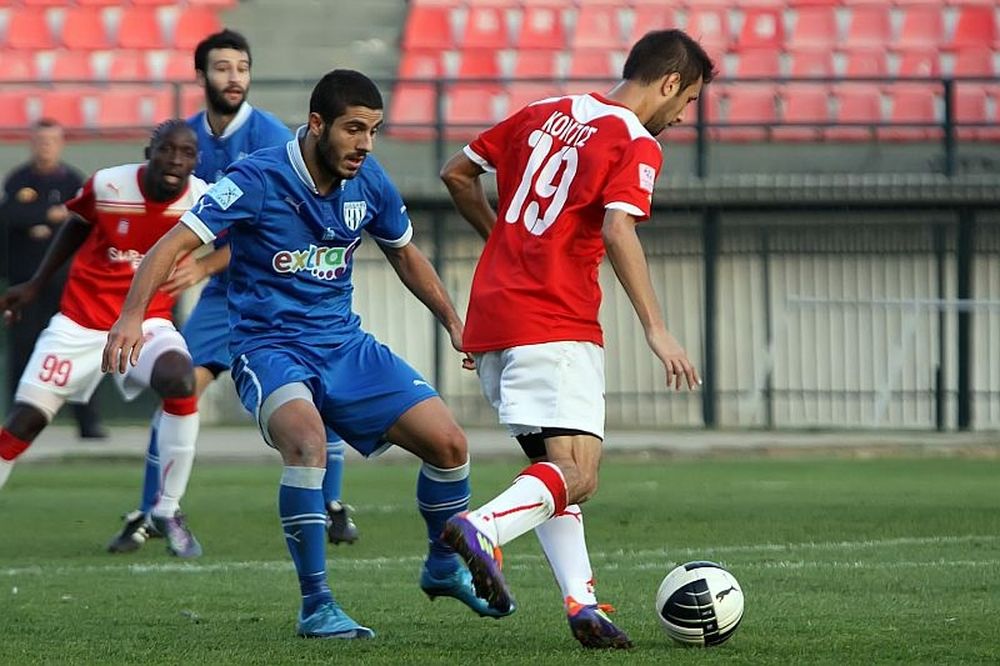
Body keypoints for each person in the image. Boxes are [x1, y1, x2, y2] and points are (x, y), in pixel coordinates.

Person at [103, 69, 513, 638]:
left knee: (449, 445)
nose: (365, 144)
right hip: (268, 349)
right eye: (353, 129)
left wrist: (453, 320)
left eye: (373, 130)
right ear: (317, 124)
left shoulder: (369, 181)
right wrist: (131, 315)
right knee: (308, 442)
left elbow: (404, 253)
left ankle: (442, 569)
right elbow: (172, 244)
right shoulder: (256, 178)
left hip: (344, 345)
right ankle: (316, 604)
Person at [438, 29, 715, 649]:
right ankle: (481, 528)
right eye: (689, 101)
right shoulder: (635, 141)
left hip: (494, 318)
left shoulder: (542, 112)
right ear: (671, 83)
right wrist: (656, 327)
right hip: (554, 320)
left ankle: (583, 604)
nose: (682, 116)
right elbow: (618, 230)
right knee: (580, 474)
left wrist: (506, 240)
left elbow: (457, 174)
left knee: (554, 472)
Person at [107, 29, 358, 553]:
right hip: (226, 293)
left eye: (241, 67)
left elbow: (279, 226)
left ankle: (330, 503)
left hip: (283, 286)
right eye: (222, 68)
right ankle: (156, 509)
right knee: (182, 388)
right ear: (201, 76)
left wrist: (203, 265)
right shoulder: (186, 141)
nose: (234, 77)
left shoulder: (271, 137)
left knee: (317, 388)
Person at [0, 120, 209, 558]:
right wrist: (37, 284)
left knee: (181, 380)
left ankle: (167, 510)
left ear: (196, 160)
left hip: (147, 324)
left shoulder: (202, 199)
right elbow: (76, 224)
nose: (175, 159)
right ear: (148, 151)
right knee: (25, 422)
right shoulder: (110, 185)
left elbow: (244, 234)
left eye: (186, 153)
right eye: (166, 150)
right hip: (80, 322)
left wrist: (208, 266)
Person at [0, 119, 107, 439]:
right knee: (23, 350)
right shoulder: (18, 179)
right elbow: (10, 216)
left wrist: (37, 222)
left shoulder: (73, 180)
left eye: (51, 141)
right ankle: (17, 423)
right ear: (31, 143)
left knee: (76, 352)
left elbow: (81, 220)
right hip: (24, 283)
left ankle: (88, 424)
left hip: (66, 284)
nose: (45, 146)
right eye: (39, 140)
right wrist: (48, 215)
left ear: (60, 144)